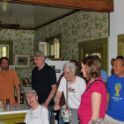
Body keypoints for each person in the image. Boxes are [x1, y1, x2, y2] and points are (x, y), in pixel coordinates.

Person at [78, 55, 107, 124]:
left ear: (89, 68)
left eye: (83, 68)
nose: (81, 70)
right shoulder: (91, 82)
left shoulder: (96, 86)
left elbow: (95, 117)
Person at [105, 56, 124, 123]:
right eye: (113, 65)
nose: (113, 67)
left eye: (116, 66)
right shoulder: (110, 79)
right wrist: (105, 109)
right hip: (109, 116)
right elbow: (108, 95)